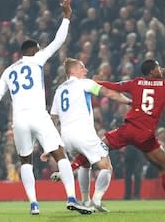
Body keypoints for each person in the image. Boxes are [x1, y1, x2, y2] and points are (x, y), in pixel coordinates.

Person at [0, 0, 92, 215]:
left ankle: (34, 204)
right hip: (38, 115)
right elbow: (59, 40)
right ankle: (71, 198)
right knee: (59, 154)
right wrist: (66, 17)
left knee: (26, 161)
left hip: (19, 120)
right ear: (35, 50)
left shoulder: (8, 71)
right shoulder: (37, 59)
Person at [53, 59, 165, 211]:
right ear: (152, 71)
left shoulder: (136, 83)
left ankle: (70, 169)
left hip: (128, 129)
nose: (161, 69)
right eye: (158, 67)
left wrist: (100, 82)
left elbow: (115, 86)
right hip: (145, 134)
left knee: (100, 145)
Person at [50, 58, 132, 212]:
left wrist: (51, 143)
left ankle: (85, 200)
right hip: (83, 133)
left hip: (66, 136)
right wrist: (129, 102)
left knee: (85, 164)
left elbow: (53, 117)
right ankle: (97, 200)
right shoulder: (84, 83)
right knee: (106, 166)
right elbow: (108, 93)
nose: (86, 71)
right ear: (73, 71)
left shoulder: (59, 90)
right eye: (82, 68)